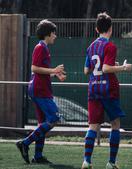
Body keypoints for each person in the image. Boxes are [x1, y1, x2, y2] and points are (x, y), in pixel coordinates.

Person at [81, 12, 132, 169]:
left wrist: (109, 65)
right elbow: (106, 68)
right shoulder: (110, 46)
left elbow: (86, 70)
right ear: (110, 28)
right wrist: (123, 67)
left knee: (93, 126)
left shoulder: (91, 46)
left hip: (94, 88)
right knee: (115, 124)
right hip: (108, 89)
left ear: (97, 29)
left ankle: (86, 161)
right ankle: (111, 162)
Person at [16, 19, 66, 164]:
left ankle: (37, 156)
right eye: (54, 33)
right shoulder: (40, 47)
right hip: (40, 90)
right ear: (48, 34)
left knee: (43, 123)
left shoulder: (43, 48)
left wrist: (54, 73)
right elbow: (34, 68)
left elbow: (41, 72)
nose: (55, 36)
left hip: (39, 88)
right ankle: (25, 143)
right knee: (54, 118)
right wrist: (53, 70)